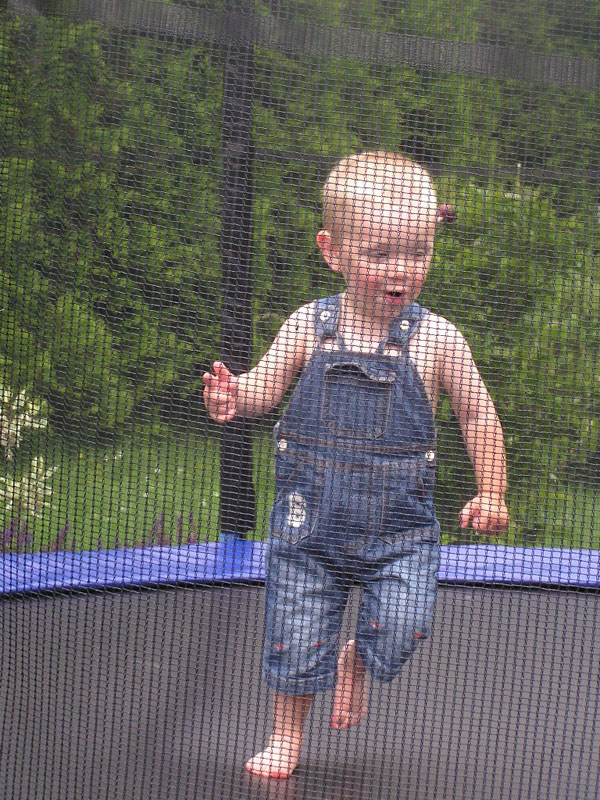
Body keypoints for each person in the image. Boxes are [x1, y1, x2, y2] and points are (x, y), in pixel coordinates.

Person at [203, 151, 509, 779]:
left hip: (399, 533)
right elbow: (265, 387)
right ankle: (286, 736)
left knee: (403, 623)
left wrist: (492, 490)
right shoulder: (308, 326)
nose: (401, 270)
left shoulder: (438, 340)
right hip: (308, 530)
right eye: (380, 254)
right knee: (294, 635)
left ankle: (358, 660)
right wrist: (236, 397)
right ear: (333, 251)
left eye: (417, 253)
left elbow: (477, 415)